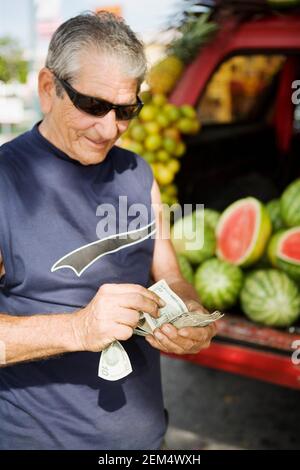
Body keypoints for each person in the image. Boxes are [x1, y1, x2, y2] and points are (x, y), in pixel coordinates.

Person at [0, 12, 216, 450]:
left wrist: (190, 315)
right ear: (48, 88)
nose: (109, 129)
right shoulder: (7, 180)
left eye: (126, 110)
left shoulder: (138, 172)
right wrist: (78, 329)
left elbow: (171, 276)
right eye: (93, 106)